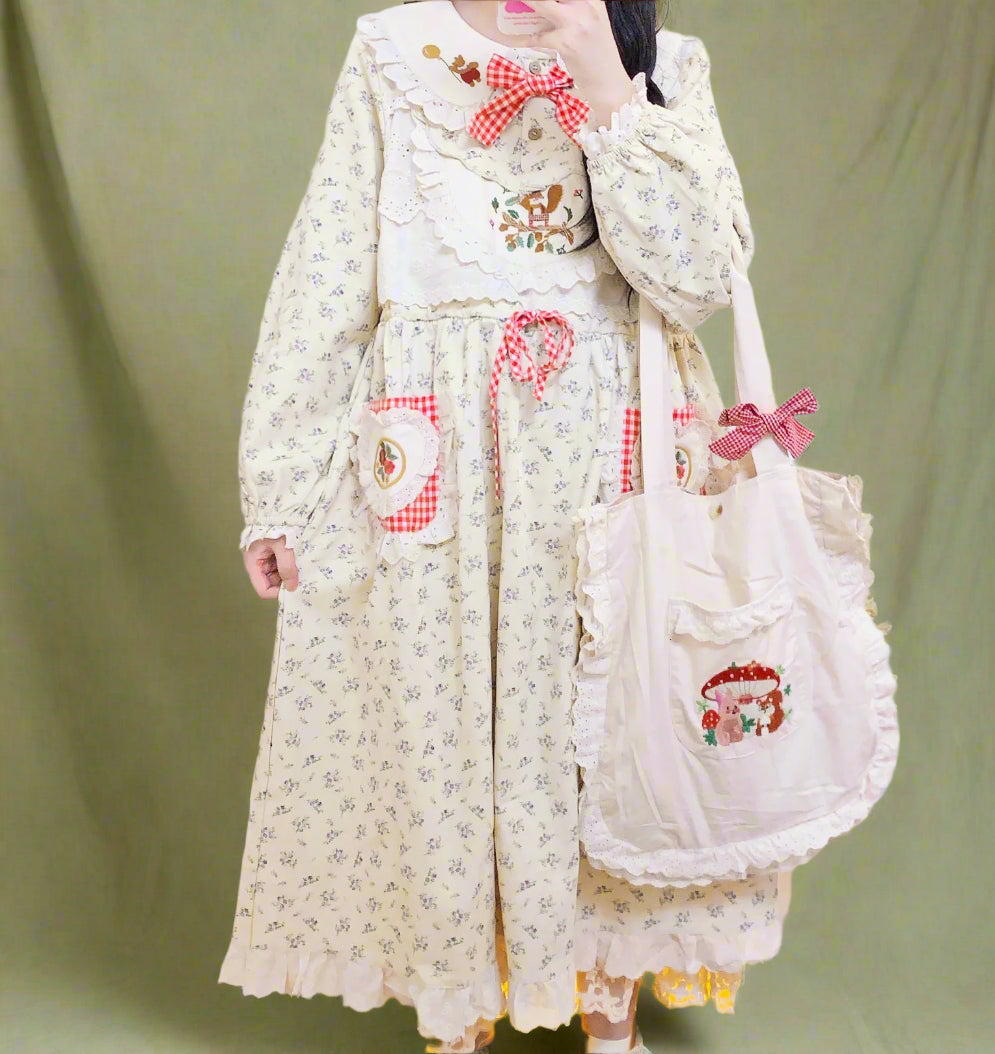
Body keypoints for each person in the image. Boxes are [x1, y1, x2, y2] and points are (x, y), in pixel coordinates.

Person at [218, 2, 791, 1051]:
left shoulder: (662, 63)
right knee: (437, 726)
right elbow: (327, 271)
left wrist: (606, 83)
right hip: (441, 463)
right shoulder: (394, 52)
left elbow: (701, 276)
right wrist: (283, 484)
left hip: (615, 458)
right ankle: (457, 1015)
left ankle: (610, 1016)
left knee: (610, 730)